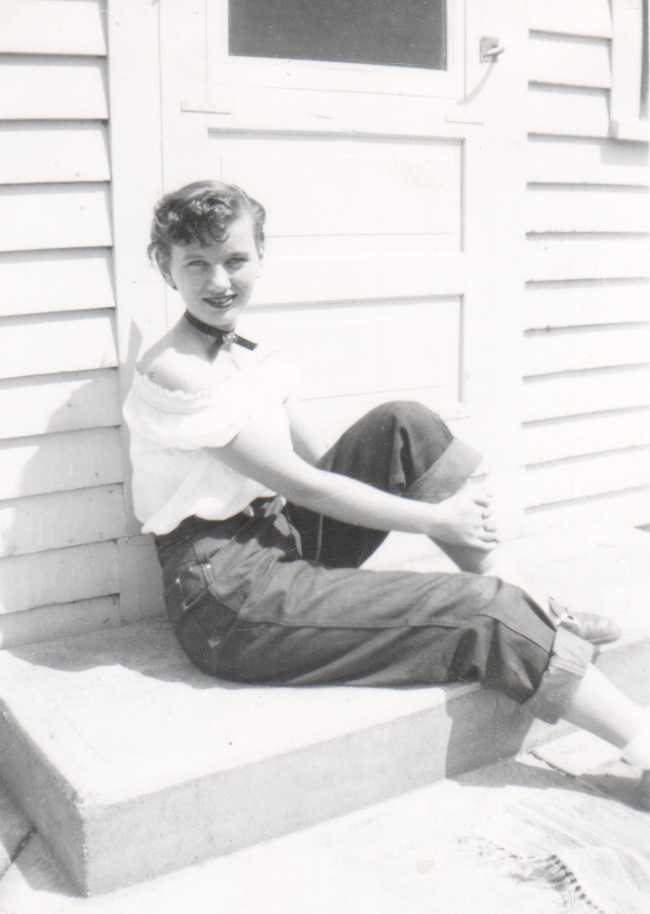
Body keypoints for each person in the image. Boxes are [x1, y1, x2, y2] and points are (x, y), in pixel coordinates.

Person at [123, 180, 650, 808]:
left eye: (235, 259)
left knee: (402, 425)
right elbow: (305, 484)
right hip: (229, 597)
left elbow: (323, 462)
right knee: (483, 612)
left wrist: (421, 501)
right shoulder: (175, 370)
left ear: (260, 256)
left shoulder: (248, 355)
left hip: (278, 537)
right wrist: (435, 520)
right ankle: (640, 742)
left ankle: (539, 610)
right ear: (165, 267)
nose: (219, 281)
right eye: (196, 264)